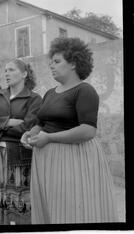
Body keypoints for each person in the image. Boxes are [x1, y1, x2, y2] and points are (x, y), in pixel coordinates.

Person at [21, 37, 119, 224]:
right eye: (51, 62)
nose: (51, 66)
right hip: (45, 159)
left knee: (72, 211)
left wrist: (49, 138)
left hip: (74, 159)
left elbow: (88, 130)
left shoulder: (85, 90)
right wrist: (29, 134)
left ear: (73, 63)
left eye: (57, 62)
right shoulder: (50, 93)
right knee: (50, 211)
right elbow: (40, 123)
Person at [0, 59, 42, 224]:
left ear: (24, 74)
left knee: (20, 206)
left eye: (11, 70)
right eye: (5, 70)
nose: (7, 73)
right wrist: (7, 122)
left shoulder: (34, 99)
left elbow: (28, 127)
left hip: (19, 157)